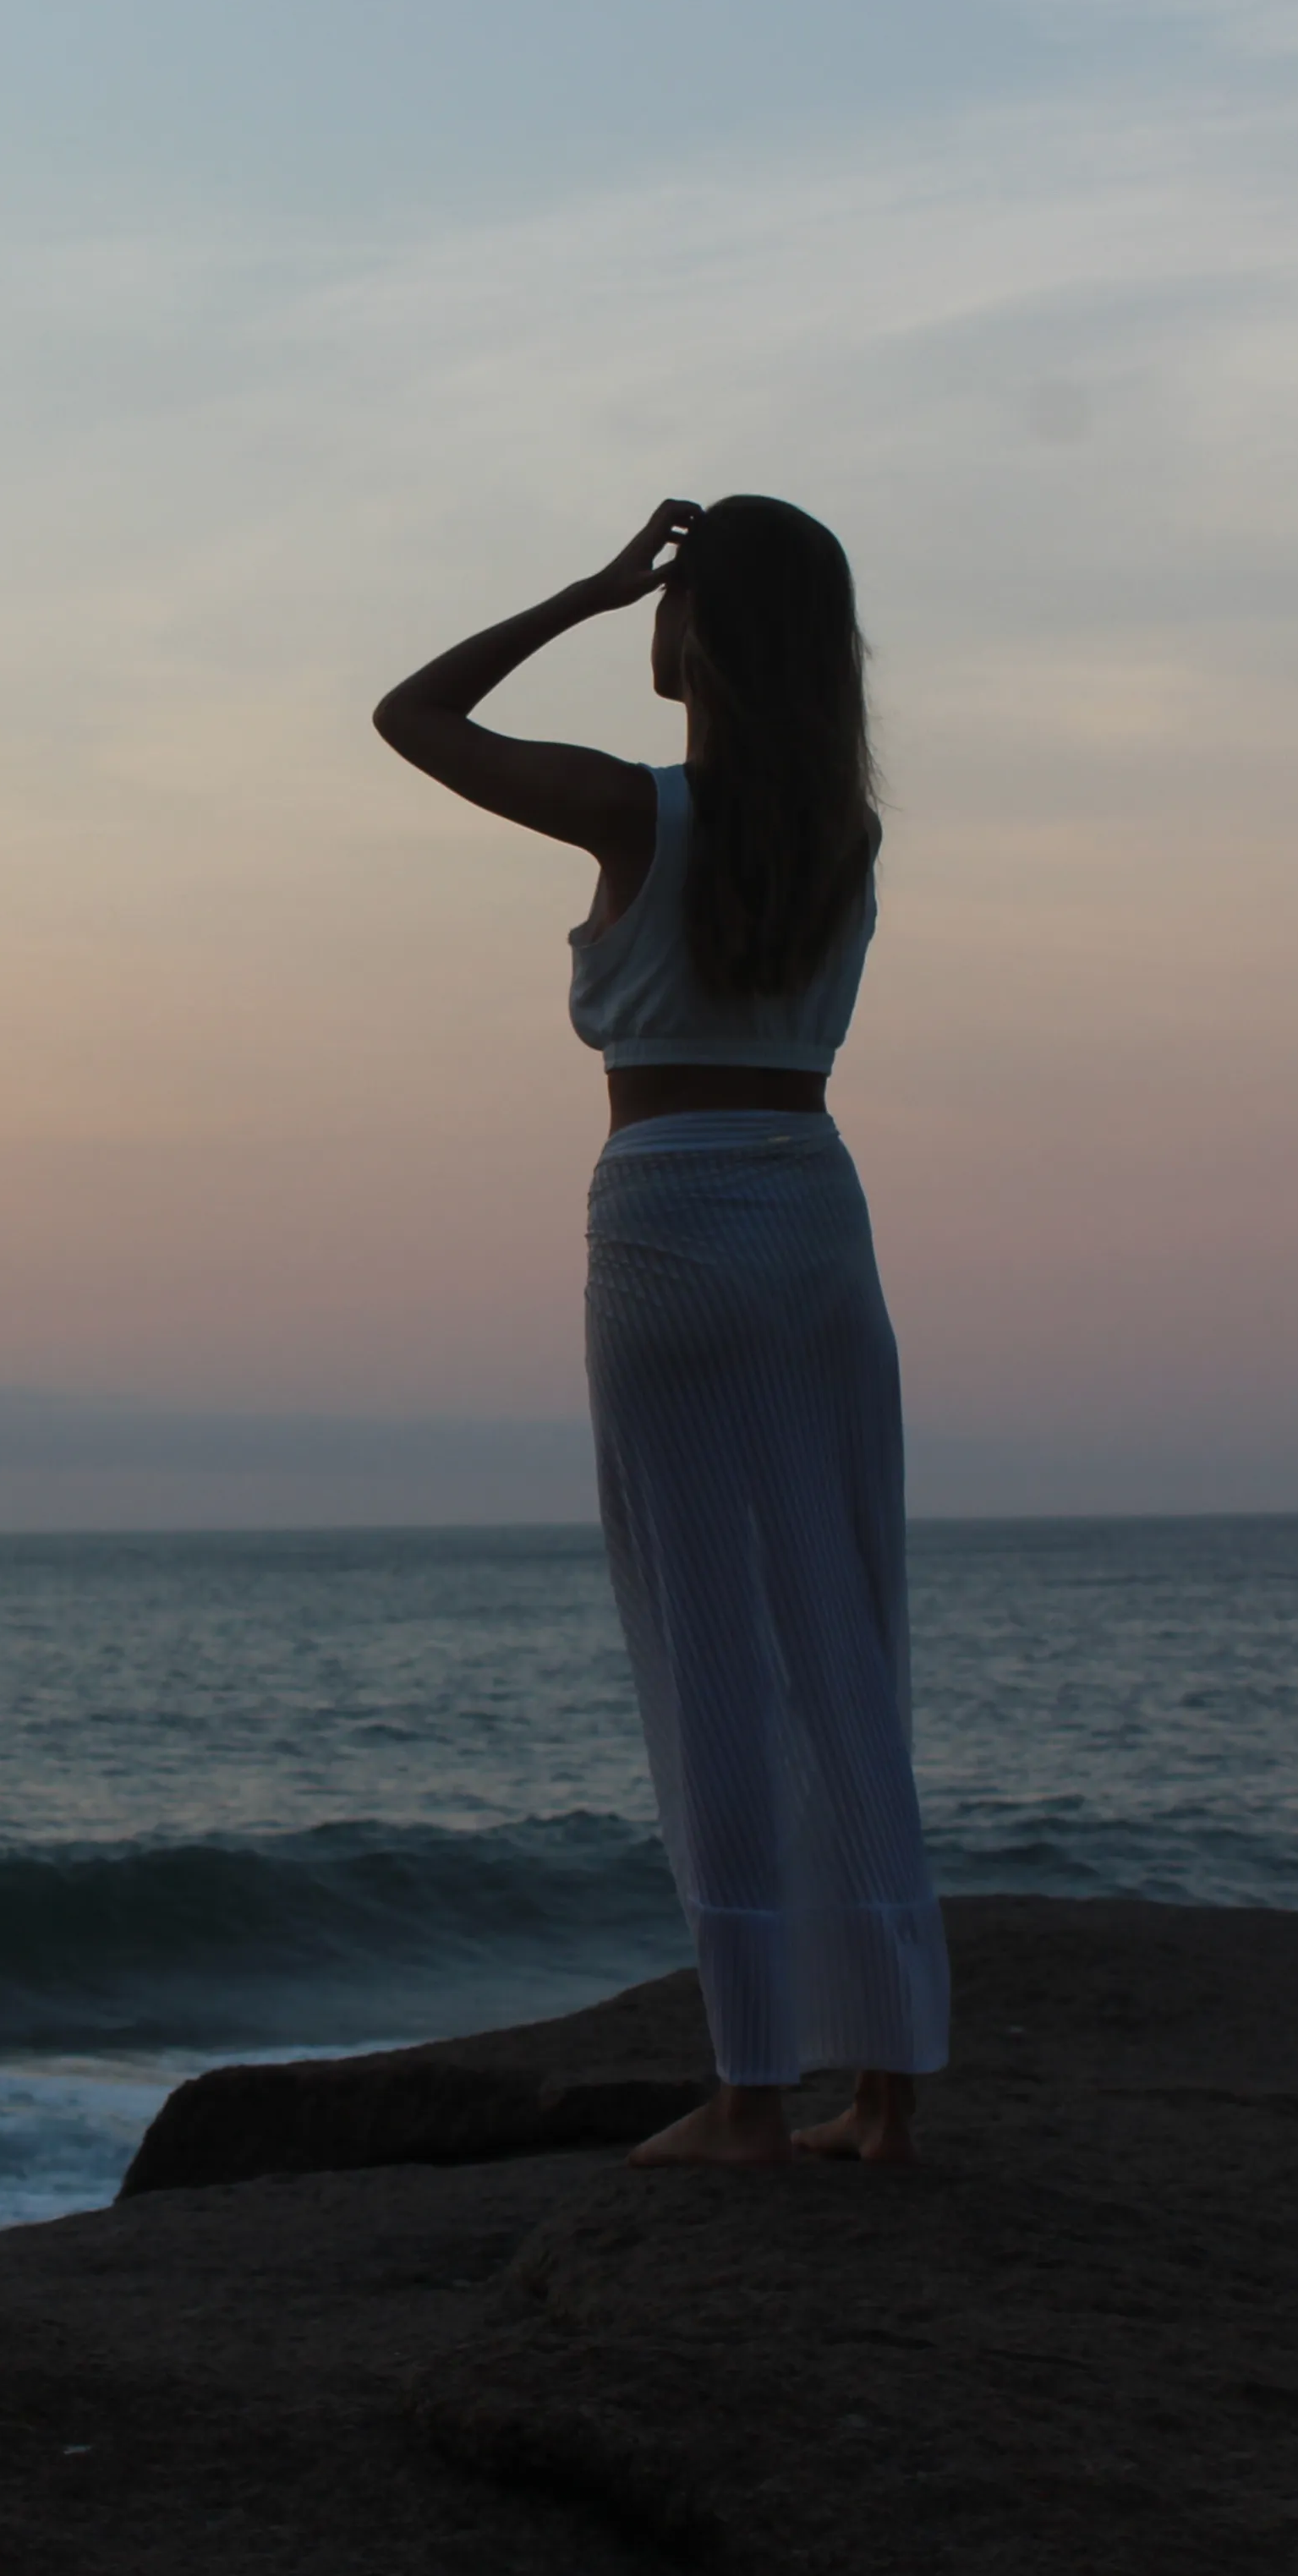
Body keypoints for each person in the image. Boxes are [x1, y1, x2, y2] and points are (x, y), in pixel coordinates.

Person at [372, 494, 945, 2169]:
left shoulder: (639, 812)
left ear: (714, 628)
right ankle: (888, 2086)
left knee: (707, 1651)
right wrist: (660, 585)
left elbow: (415, 718)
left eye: (682, 593)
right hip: (819, 1215)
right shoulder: (846, 834)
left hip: (673, 1223)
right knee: (847, 1635)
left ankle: (751, 2093)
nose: (657, 612)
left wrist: (588, 582)